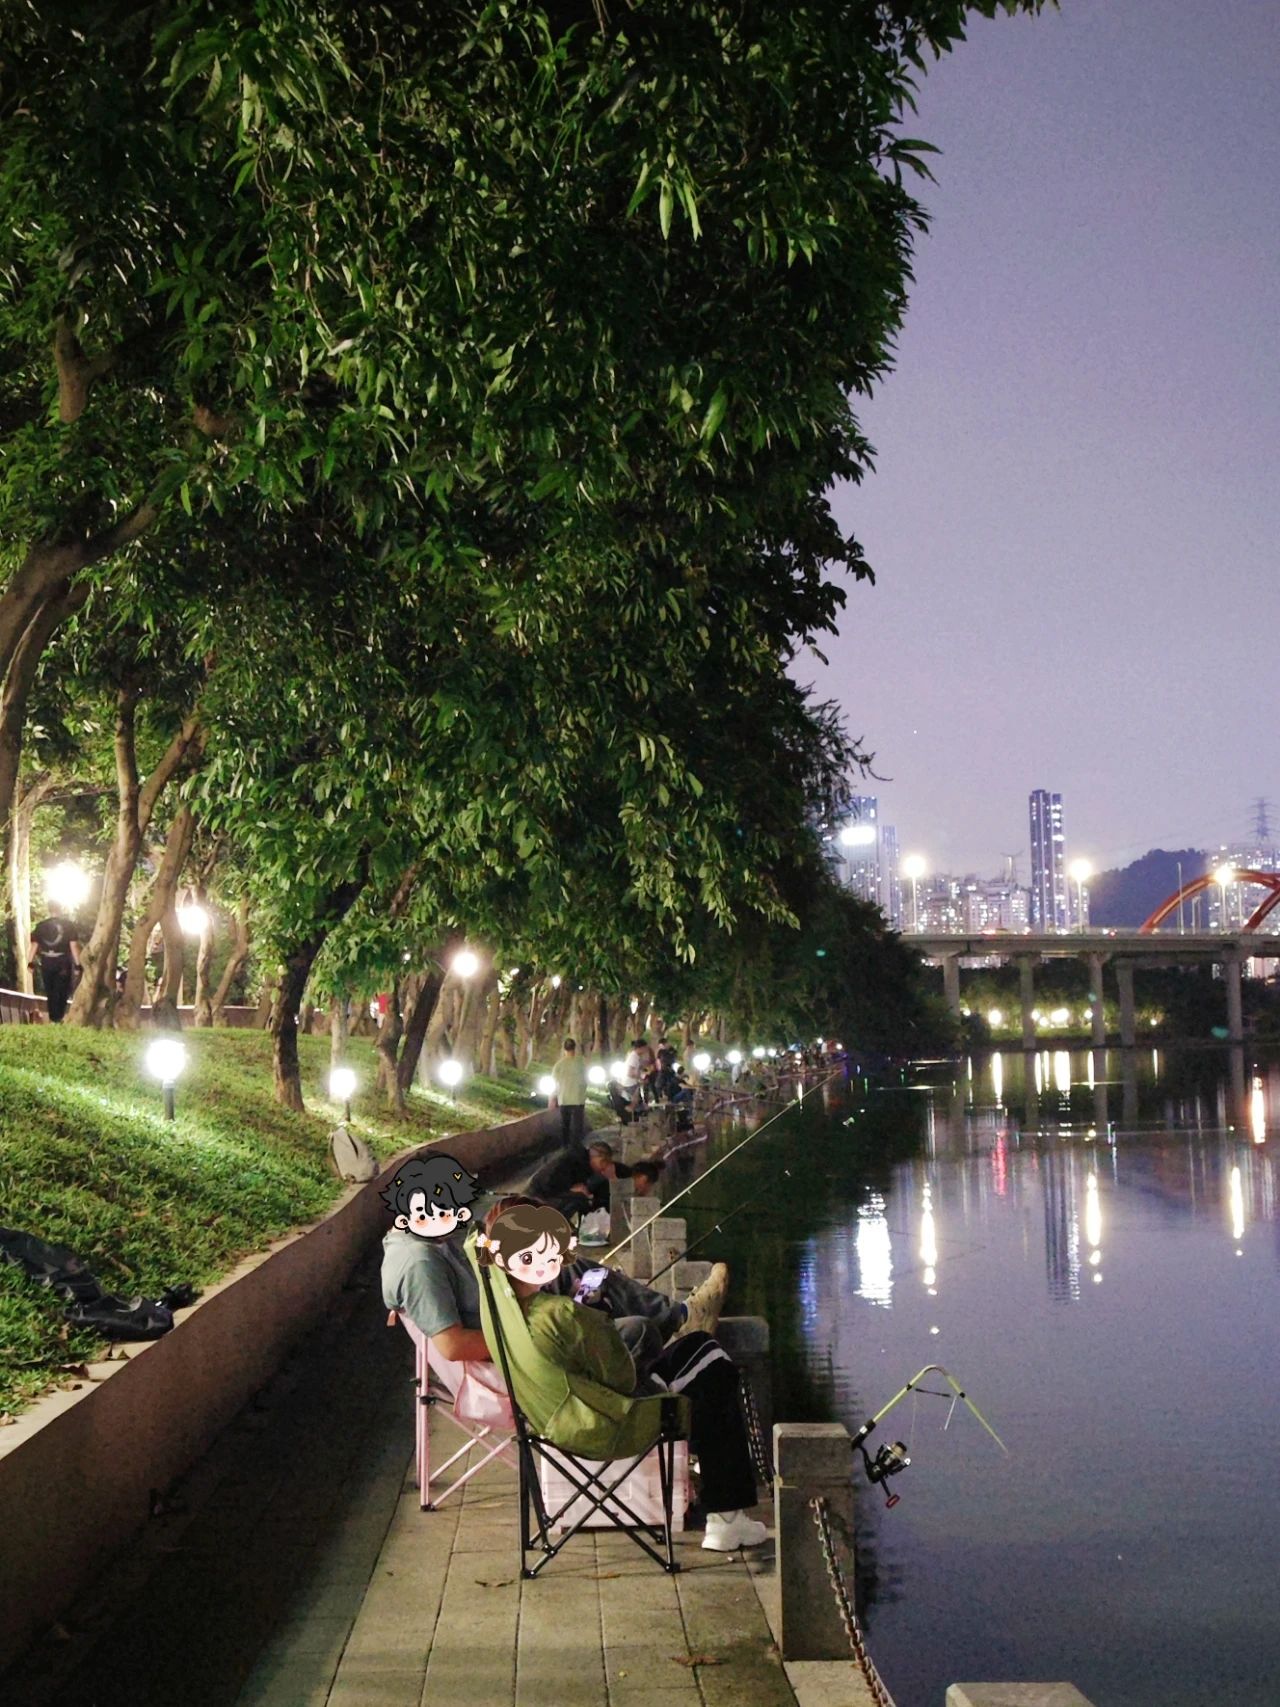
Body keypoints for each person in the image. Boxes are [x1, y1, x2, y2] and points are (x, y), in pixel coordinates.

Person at [478, 1199, 766, 1551]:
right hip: (610, 1419)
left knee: (696, 1352)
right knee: (712, 1362)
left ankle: (728, 1518)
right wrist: (598, 1320)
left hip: (556, 1416)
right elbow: (620, 1373)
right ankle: (726, 1519)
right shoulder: (560, 1314)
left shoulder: (502, 1312)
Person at [380, 1161, 726, 1372]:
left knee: (573, 1269)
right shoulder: (418, 1263)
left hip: (520, 1305)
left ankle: (679, 1317)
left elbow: (466, 1268)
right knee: (634, 1328)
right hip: (526, 1340)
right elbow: (453, 1346)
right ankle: (679, 1322)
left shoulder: (413, 1242)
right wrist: (530, 1333)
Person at [28, 915, 82, 1024]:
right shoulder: (68, 925)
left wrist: (30, 962)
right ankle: (58, 1018)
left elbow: (34, 945)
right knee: (62, 990)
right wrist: (77, 965)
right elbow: (73, 945)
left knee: (50, 991)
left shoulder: (41, 926)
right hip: (63, 962)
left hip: (47, 961)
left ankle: (53, 1018)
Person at [550, 1037, 588, 1145]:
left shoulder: (558, 1065)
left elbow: (554, 1083)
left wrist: (552, 1098)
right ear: (574, 1048)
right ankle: (577, 1147)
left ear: (564, 1049)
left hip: (564, 1099)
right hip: (578, 1098)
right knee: (578, 1126)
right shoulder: (581, 1063)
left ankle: (565, 1146)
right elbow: (585, 1081)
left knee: (565, 1124)